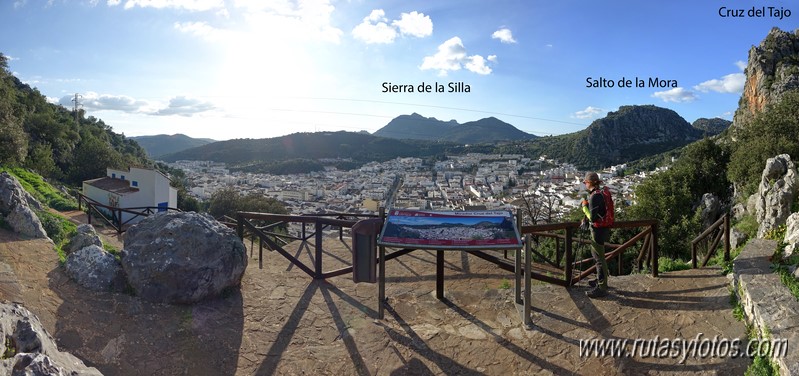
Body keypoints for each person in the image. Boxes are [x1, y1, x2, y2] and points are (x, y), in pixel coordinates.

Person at [580, 172, 610, 298]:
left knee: (598, 258)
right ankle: (600, 281)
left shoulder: (594, 197)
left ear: (590, 183)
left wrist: (584, 207)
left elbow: (592, 217)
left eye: (586, 182)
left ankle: (602, 287)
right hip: (603, 229)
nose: (585, 185)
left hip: (597, 231)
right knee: (600, 257)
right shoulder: (600, 194)